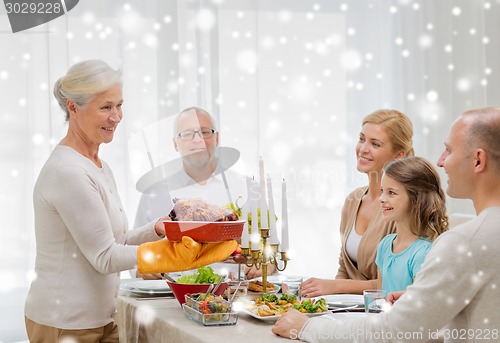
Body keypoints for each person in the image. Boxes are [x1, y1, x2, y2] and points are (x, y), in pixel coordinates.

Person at [24, 60, 237, 343]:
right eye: (105, 107)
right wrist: (172, 255)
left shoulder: (97, 165)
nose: (116, 117)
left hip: (103, 316)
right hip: (66, 323)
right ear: (73, 107)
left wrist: (159, 228)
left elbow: (117, 240)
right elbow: (105, 257)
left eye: (119, 105)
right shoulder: (68, 172)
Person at [272, 107, 500, 342]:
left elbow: (394, 332)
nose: (441, 161)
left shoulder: (463, 243)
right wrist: (416, 301)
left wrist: (306, 327)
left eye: (449, 150)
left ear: (478, 160)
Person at [134, 107, 273, 279]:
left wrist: (268, 265)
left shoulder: (248, 187)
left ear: (217, 138)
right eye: (187, 134)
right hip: (171, 294)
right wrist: (146, 270)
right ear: (175, 144)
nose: (198, 140)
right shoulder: (154, 193)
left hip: (237, 291)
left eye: (205, 132)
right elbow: (135, 257)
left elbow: (274, 249)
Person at [301, 109, 414, 297]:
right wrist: (328, 302)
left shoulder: (406, 206)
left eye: (375, 144)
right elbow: (344, 268)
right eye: (362, 139)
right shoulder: (354, 200)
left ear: (398, 155)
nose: (363, 149)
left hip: (383, 312)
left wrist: (336, 287)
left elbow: (399, 282)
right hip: (350, 309)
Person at [376, 156, 448, 293]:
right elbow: (379, 300)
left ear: (416, 199)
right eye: (382, 191)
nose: (381, 199)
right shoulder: (385, 245)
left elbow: (419, 307)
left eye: (391, 193)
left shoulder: (424, 252)